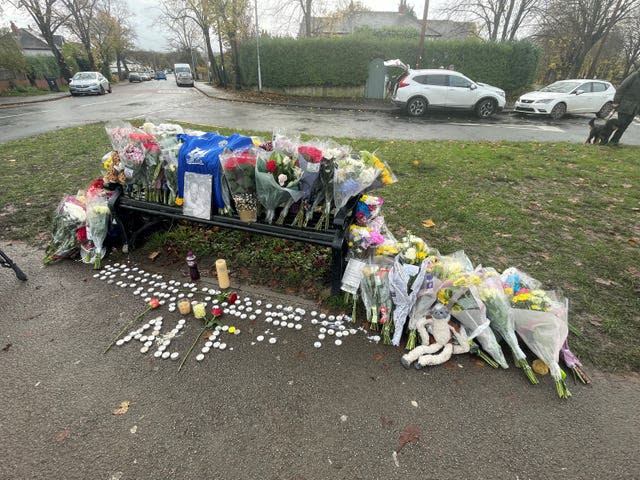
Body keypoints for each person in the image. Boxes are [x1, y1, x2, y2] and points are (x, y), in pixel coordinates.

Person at [610, 69, 640, 145]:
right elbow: (621, 88)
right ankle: (604, 138)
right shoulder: (635, 75)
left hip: (634, 108)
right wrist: (616, 101)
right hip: (625, 105)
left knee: (624, 126)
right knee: (619, 124)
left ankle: (614, 141)